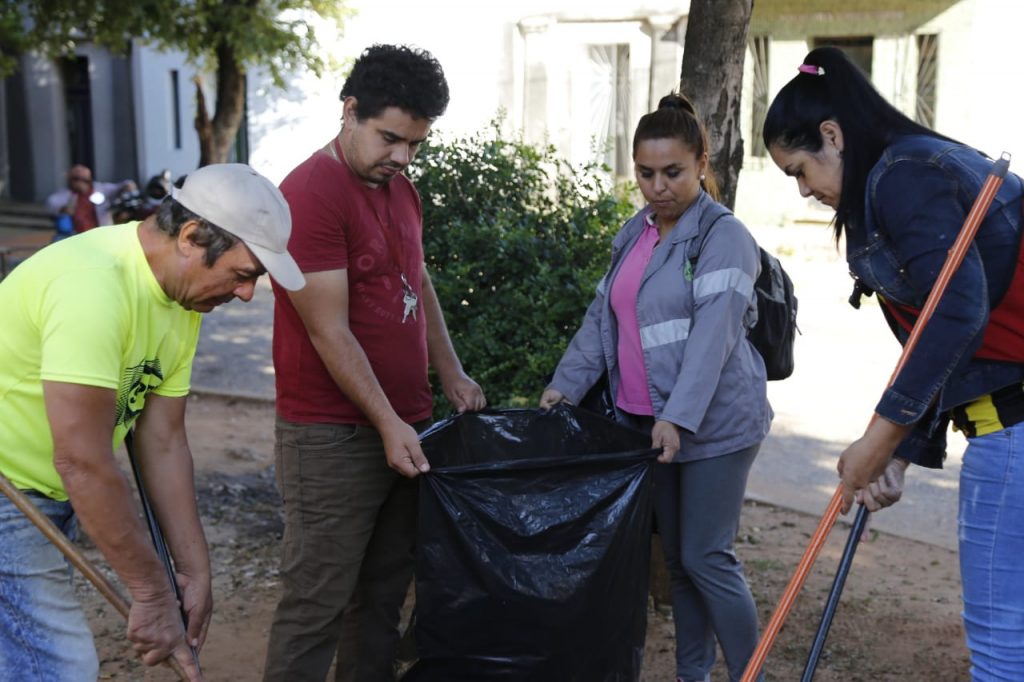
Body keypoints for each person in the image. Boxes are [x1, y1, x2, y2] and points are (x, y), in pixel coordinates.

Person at [764, 46, 1024, 680]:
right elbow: (941, 342)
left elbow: (955, 313)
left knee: (1002, 647)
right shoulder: (910, 169)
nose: (804, 190)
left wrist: (879, 440)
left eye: (800, 170)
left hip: (1013, 430)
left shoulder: (903, 174)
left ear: (832, 136)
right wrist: (902, 453)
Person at [0, 163, 304, 681]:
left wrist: (193, 570)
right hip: (11, 491)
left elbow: (162, 440)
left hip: (50, 487)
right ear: (190, 237)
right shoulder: (92, 287)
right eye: (245, 273)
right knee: (58, 666)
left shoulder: (180, 298)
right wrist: (152, 594)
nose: (249, 294)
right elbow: (82, 461)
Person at [263, 44, 486, 682]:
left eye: (415, 143)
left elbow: (418, 280)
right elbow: (328, 329)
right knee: (316, 602)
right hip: (331, 436)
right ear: (350, 110)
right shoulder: (309, 194)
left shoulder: (401, 189)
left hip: (404, 426)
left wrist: (450, 370)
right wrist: (389, 424)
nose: (403, 157)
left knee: (383, 597)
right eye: (391, 138)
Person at [540, 93, 772, 682]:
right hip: (647, 425)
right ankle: (693, 675)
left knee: (706, 556)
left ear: (701, 163)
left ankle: (751, 674)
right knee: (677, 561)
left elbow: (713, 338)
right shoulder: (634, 233)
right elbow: (603, 321)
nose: (658, 187)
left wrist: (678, 417)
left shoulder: (723, 236)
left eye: (673, 172)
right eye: (646, 173)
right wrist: (563, 388)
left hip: (713, 425)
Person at [45, 164, 137, 234]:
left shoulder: (100, 189)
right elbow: (52, 205)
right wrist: (66, 206)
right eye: (75, 179)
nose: (79, 183)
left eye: (84, 180)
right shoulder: (65, 194)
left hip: (100, 233)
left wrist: (128, 186)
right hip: (74, 235)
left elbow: (121, 186)